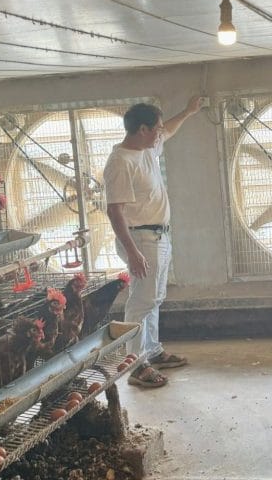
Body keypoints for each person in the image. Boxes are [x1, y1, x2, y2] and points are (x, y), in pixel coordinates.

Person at [104, 96, 202, 388]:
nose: (161, 132)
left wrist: (188, 111)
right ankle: (135, 365)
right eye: (156, 128)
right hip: (140, 238)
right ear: (142, 129)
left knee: (154, 298)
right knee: (141, 302)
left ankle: (152, 350)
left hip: (158, 235)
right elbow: (114, 210)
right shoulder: (121, 162)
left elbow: (169, 129)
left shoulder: (147, 149)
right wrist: (132, 252)